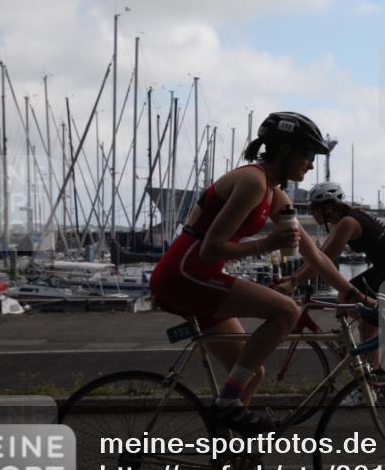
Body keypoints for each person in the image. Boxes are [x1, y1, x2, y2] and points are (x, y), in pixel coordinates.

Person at [149, 112, 371, 433]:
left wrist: (356, 295)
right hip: (184, 272)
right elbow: (210, 248)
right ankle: (227, 406)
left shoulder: (275, 193)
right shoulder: (253, 181)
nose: (311, 165)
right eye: (308, 154)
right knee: (286, 311)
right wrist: (267, 243)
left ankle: (227, 452)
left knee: (252, 373)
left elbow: (315, 255)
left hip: (197, 275)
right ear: (285, 149)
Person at [276, 182, 385, 402]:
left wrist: (295, 282)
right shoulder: (347, 219)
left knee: (365, 322)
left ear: (328, 207)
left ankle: (370, 385)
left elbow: (323, 260)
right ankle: (369, 340)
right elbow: (318, 256)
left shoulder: (348, 223)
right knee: (346, 298)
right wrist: (293, 278)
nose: (311, 212)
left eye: (314, 207)